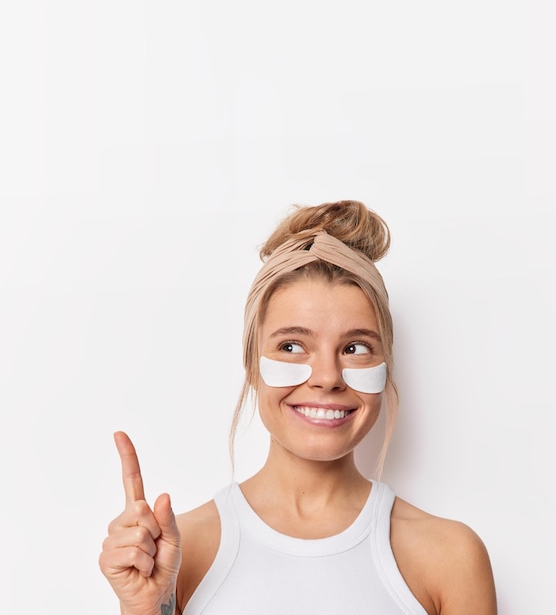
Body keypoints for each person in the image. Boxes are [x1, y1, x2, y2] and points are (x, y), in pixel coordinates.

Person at [99, 200, 497, 615]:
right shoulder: (180, 552)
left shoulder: (449, 557)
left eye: (356, 348)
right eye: (291, 346)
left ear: (386, 365)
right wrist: (145, 609)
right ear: (252, 363)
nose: (327, 376)